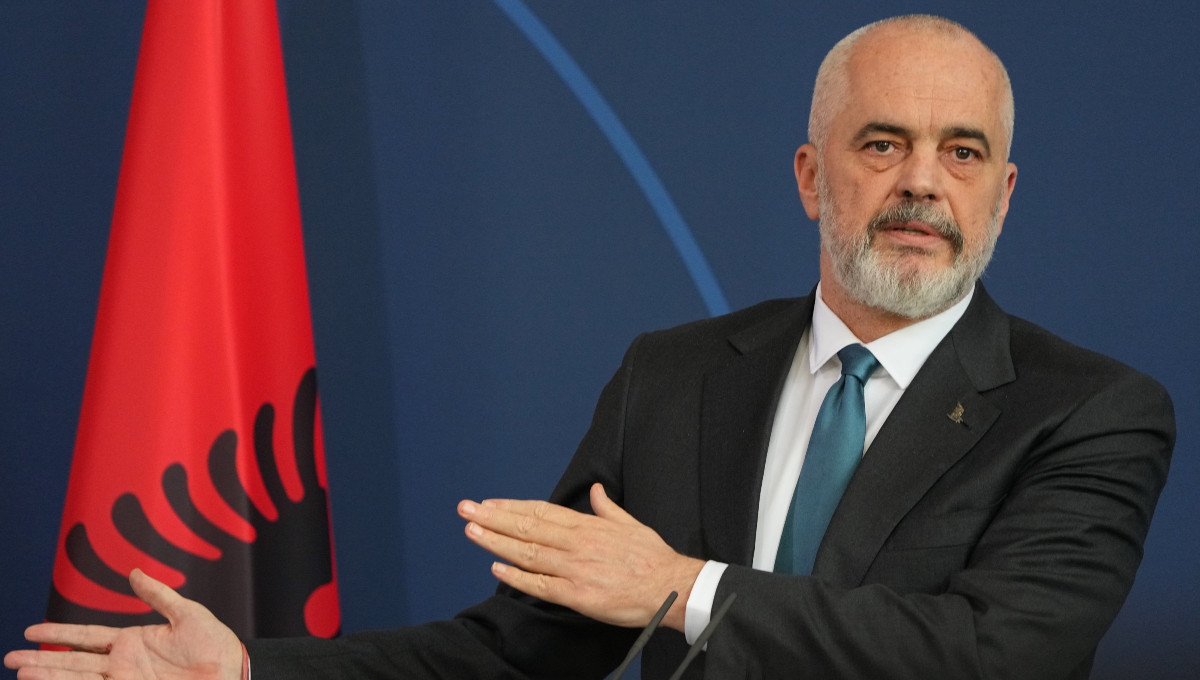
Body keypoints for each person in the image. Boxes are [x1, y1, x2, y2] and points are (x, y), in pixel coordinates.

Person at [6, 14, 1174, 680]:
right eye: (883, 143)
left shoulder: (1090, 409)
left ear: (1003, 193)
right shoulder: (676, 374)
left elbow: (996, 654)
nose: (923, 181)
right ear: (812, 176)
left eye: (963, 152)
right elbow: (517, 653)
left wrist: (680, 588)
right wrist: (251, 668)